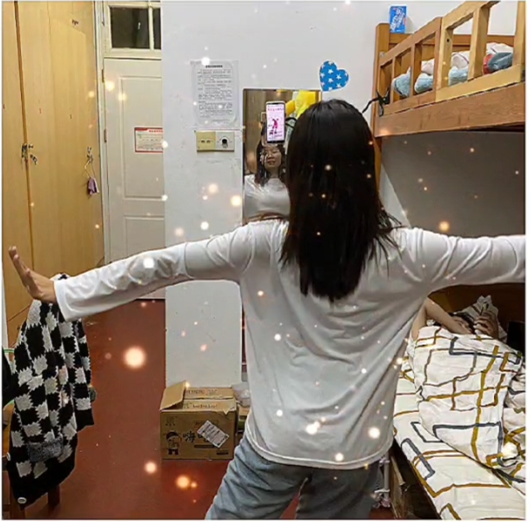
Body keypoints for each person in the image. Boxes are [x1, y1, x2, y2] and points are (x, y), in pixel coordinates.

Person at [8, 99, 524, 519]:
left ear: (296, 174)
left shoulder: (262, 245)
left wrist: (67, 292)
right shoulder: (411, 252)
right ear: (366, 170)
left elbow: (162, 265)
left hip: (277, 440)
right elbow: (511, 255)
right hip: (353, 450)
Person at [243, 127, 289, 223]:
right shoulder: (248, 182)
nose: (270, 156)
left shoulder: (292, 183)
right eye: (265, 152)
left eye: (274, 151)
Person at [412, 298, 501, 340]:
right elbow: (420, 302)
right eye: (458, 323)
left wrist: (493, 340)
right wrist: (462, 332)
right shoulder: (425, 340)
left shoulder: (475, 348)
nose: (464, 327)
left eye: (468, 328)